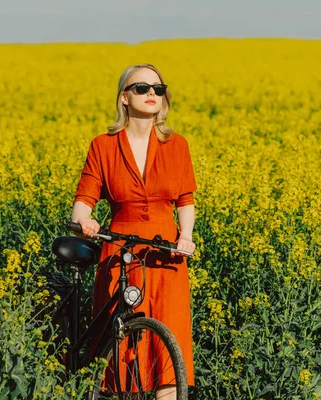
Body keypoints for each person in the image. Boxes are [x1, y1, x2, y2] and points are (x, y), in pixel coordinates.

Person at [72, 63, 197, 398]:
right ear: (124, 97)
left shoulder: (177, 145)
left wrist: (185, 236)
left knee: (169, 356)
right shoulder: (103, 145)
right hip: (119, 253)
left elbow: (186, 199)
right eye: (141, 88)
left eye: (157, 88)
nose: (151, 94)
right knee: (118, 351)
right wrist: (84, 220)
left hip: (166, 255)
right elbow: (84, 198)